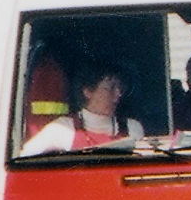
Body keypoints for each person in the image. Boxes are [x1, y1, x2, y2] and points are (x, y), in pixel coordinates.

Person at [18, 63, 147, 156]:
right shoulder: (63, 129)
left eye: (120, 88)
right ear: (88, 92)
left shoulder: (133, 128)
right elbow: (23, 158)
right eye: (110, 88)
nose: (118, 94)